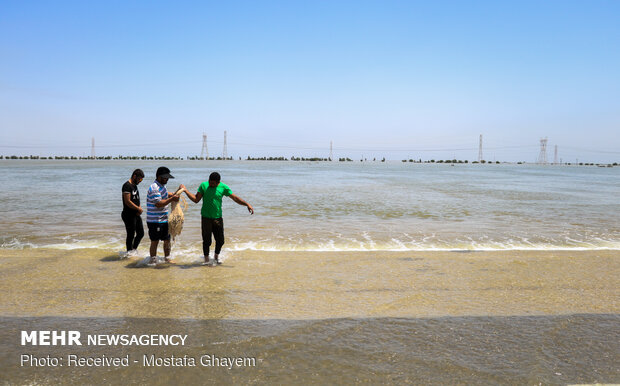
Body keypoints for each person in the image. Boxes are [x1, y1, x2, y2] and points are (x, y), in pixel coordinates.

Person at [184, 172, 253, 266]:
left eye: (213, 183)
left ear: (218, 183)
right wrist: (185, 190)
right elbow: (196, 199)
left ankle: (216, 258)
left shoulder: (223, 187)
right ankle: (206, 260)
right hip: (206, 218)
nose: (210, 184)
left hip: (217, 218)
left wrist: (247, 204)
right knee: (207, 241)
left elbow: (235, 198)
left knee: (220, 240)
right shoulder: (204, 185)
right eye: (209, 182)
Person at [146, 166, 182, 265]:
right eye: (164, 177)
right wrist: (172, 199)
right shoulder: (154, 187)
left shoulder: (162, 186)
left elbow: (168, 195)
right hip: (154, 221)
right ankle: (153, 260)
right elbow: (158, 204)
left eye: (167, 178)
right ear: (158, 176)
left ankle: (167, 258)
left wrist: (178, 191)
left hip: (164, 219)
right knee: (155, 241)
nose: (166, 179)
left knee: (167, 240)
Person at [121, 169, 145, 258]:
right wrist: (138, 208)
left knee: (141, 233)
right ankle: (129, 253)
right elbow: (127, 201)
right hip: (128, 214)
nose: (140, 181)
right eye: (140, 179)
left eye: (141, 180)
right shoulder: (126, 186)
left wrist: (139, 208)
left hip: (136, 214)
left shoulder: (135, 185)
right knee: (130, 235)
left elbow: (137, 199)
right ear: (134, 176)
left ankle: (133, 250)